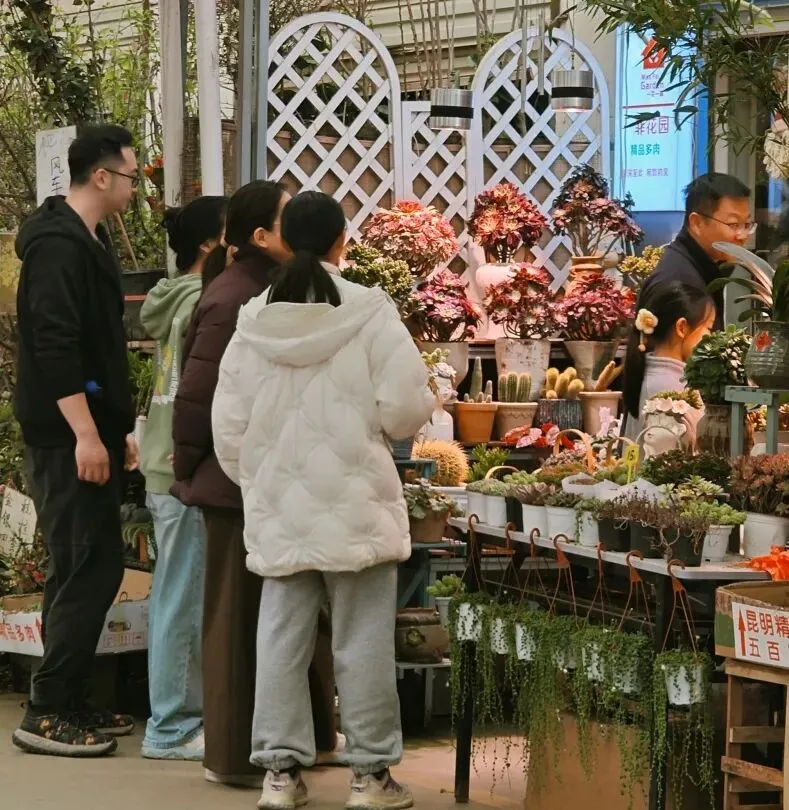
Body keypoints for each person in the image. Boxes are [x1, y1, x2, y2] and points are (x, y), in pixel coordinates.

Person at [212, 191, 435, 810]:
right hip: (358, 499)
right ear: (342, 240)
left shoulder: (254, 319)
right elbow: (404, 409)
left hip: (280, 504)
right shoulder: (370, 311)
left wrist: (258, 480)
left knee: (279, 637)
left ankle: (279, 775)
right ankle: (369, 779)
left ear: (283, 239)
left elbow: (227, 427)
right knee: (361, 641)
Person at [170, 181, 340, 787]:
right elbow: (197, 397)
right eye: (285, 215)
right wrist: (191, 466)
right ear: (261, 236)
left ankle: (307, 744)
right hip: (236, 483)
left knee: (286, 615)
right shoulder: (230, 298)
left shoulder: (268, 288)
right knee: (243, 621)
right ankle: (241, 755)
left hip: (269, 479)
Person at [12, 124, 140, 757]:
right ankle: (46, 709)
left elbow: (100, 346)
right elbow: (54, 343)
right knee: (89, 563)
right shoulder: (58, 246)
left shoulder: (89, 240)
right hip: (65, 437)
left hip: (92, 432)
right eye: (131, 175)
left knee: (83, 563)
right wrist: (87, 435)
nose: (135, 187)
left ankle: (66, 692)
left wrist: (117, 432)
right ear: (100, 176)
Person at [138, 196, 228, 761]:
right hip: (181, 468)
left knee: (174, 593)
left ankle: (174, 718)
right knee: (182, 597)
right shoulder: (204, 301)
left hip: (160, 462)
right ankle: (171, 727)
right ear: (208, 245)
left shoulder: (171, 298)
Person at [638, 172, 752, 330]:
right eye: (733, 224)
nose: (743, 236)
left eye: (747, 224)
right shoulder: (678, 282)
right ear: (697, 223)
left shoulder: (706, 267)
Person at [623, 282, 716, 442]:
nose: (712, 338)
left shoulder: (658, 376)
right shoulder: (666, 387)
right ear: (682, 327)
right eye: (708, 328)